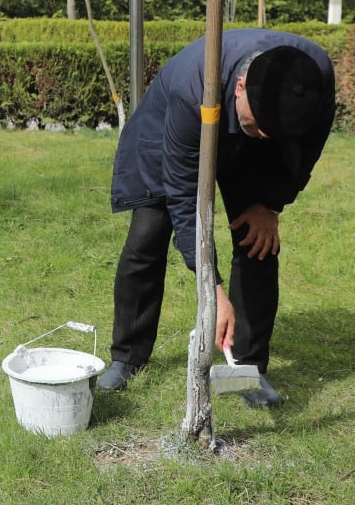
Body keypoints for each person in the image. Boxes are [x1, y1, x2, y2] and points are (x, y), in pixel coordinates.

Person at [98, 29, 335, 408]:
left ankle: (250, 366)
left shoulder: (313, 77)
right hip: (177, 131)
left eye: (269, 131)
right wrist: (215, 291)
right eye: (256, 126)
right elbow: (182, 196)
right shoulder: (194, 88)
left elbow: (308, 147)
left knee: (258, 242)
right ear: (240, 86)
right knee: (147, 236)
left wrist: (270, 204)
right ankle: (127, 356)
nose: (260, 135)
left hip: (246, 136)